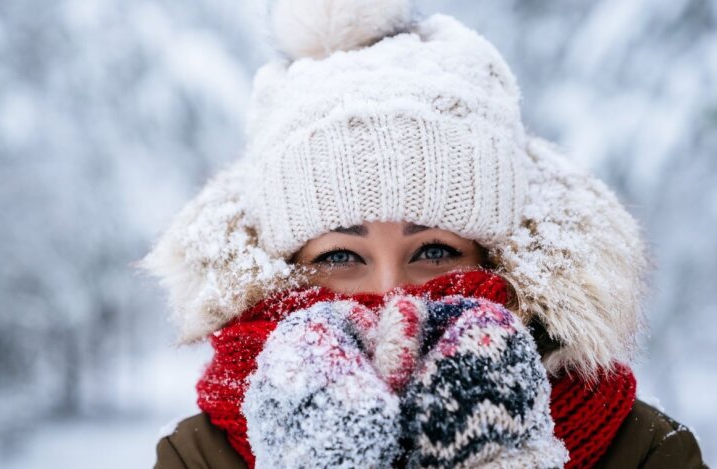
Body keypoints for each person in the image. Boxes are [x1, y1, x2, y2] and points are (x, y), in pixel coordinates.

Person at [138, 1, 707, 467]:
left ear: (499, 259)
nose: (393, 293)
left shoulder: (640, 451)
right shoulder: (202, 456)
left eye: (434, 251)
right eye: (340, 254)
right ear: (285, 269)